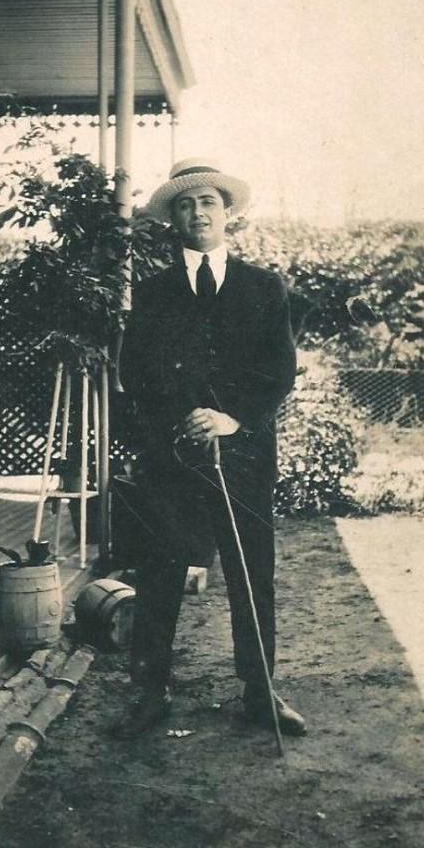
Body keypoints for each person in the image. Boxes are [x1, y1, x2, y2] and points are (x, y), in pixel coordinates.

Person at [111, 157, 306, 739]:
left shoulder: (264, 288)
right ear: (174, 218)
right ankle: (150, 691)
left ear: (227, 213)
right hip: (173, 456)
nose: (198, 213)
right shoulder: (153, 294)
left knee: (252, 572)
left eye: (208, 202)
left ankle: (259, 690)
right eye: (186, 204)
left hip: (243, 454)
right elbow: (135, 374)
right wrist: (183, 420)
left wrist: (231, 417)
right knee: (160, 569)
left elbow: (278, 370)